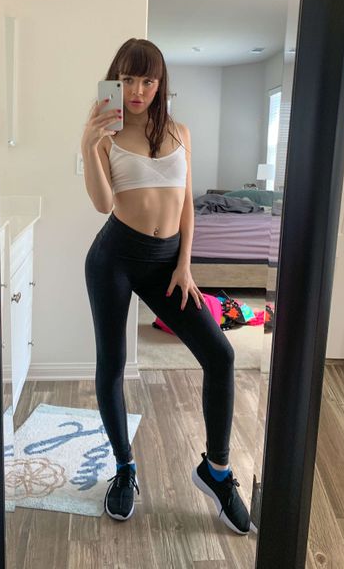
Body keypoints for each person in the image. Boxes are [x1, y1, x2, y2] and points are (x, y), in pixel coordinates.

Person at [81, 38, 250, 535]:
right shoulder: (107, 136)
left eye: (147, 80)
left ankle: (216, 471)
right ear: (115, 81)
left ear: (160, 84)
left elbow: (186, 204)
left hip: (167, 266)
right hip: (114, 260)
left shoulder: (180, 132)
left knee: (220, 355)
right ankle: (124, 467)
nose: (137, 90)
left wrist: (185, 266)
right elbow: (102, 204)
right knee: (112, 364)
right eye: (128, 79)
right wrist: (88, 144)